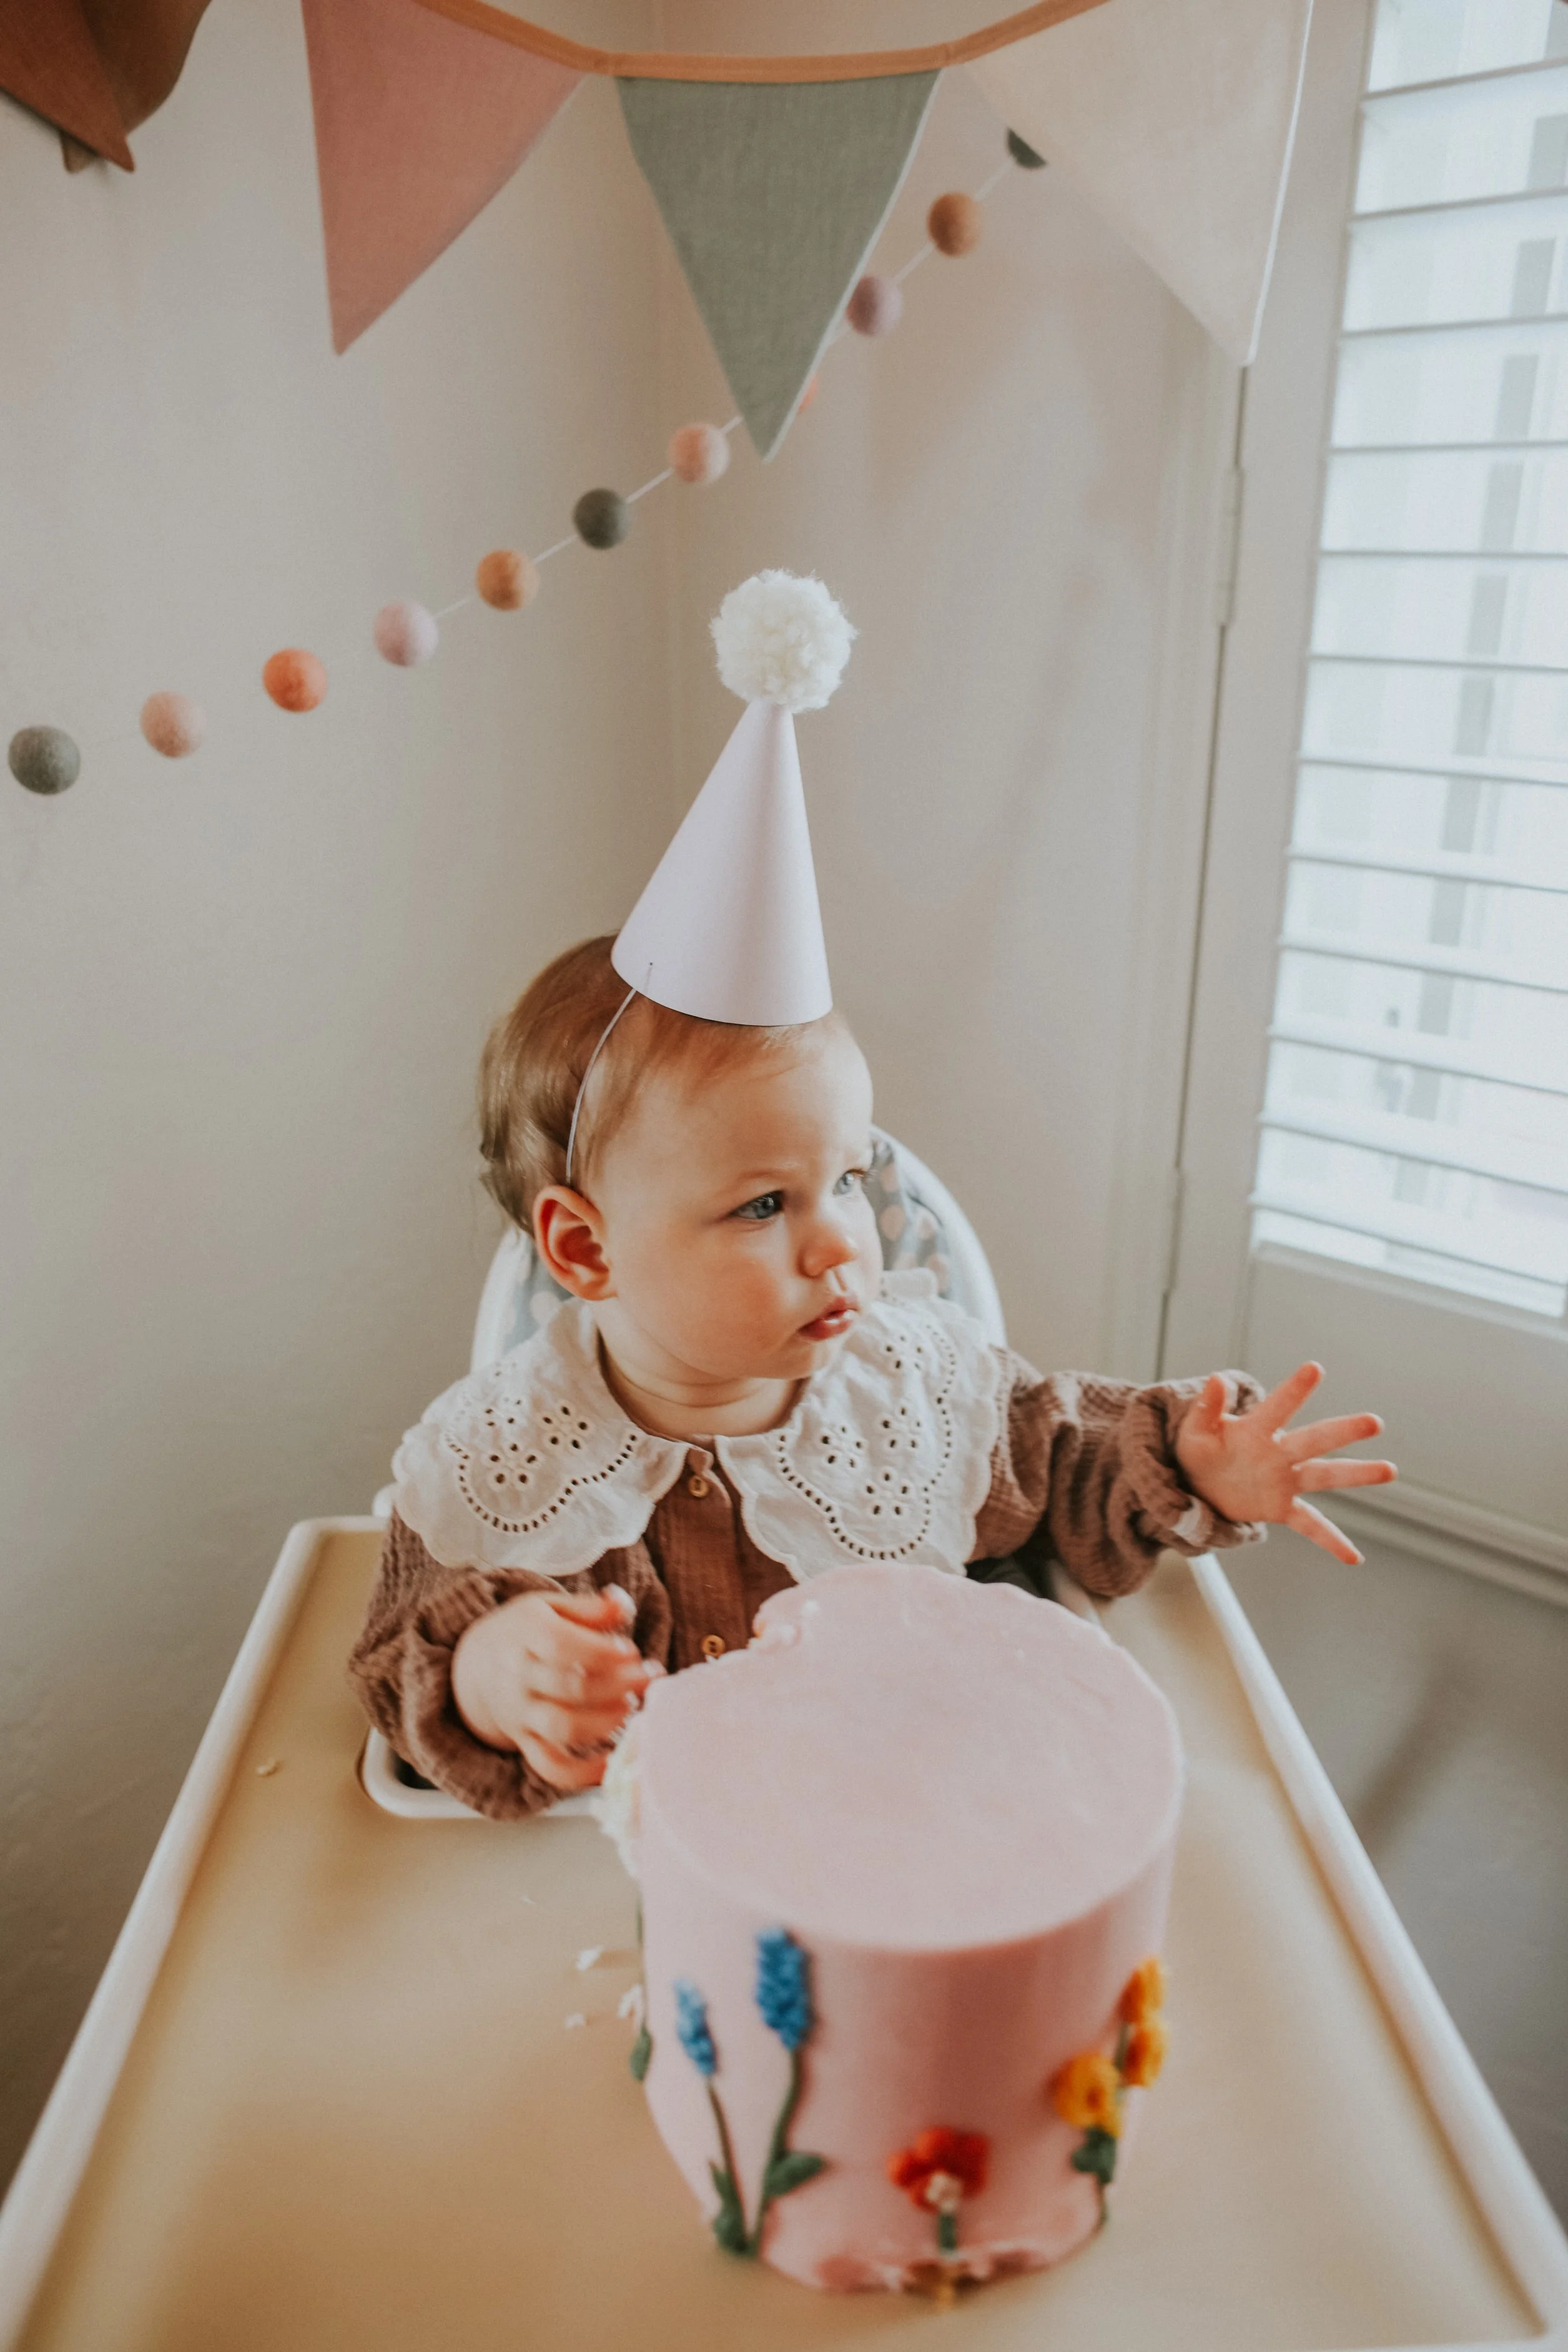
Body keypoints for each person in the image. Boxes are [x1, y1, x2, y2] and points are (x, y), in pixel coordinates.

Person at [349, 573, 1395, 1820]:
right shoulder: (501, 1451)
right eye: (759, 1207)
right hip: (618, 1900)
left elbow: (1068, 1470)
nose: (838, 1241)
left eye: (842, 1180)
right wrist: (485, 1673)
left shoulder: (916, 1393)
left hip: (899, 1840)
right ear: (583, 1248)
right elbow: (393, 1659)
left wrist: (1192, 1462)